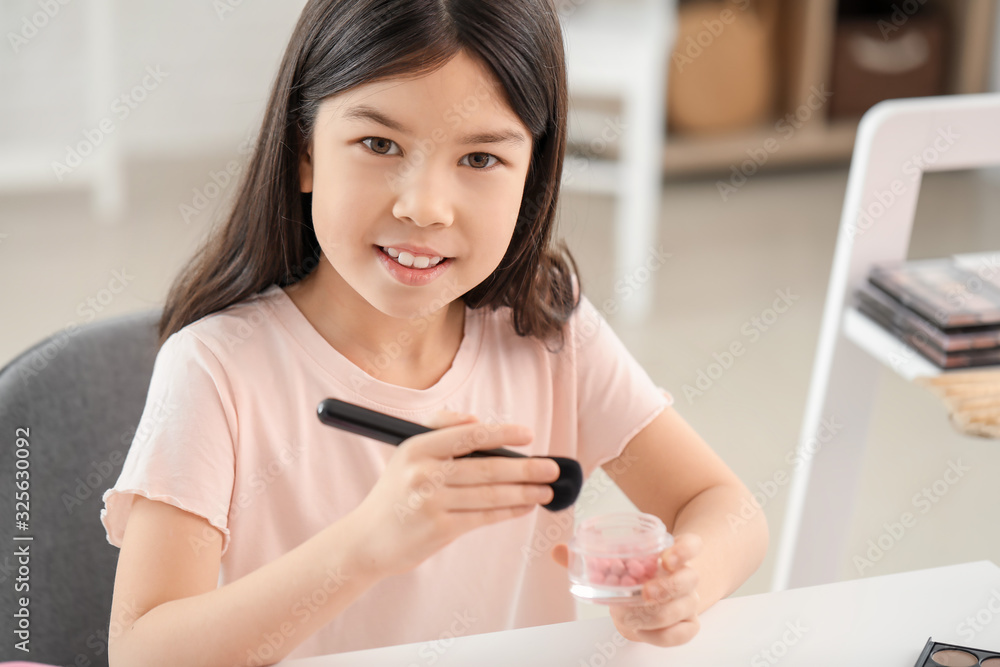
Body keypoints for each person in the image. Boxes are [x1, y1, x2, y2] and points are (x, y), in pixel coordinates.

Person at [100, 0, 768, 664]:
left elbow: (725, 507)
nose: (424, 205)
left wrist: (685, 581)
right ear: (305, 152)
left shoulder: (548, 328)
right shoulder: (216, 369)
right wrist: (364, 547)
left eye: (480, 159)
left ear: (531, 176)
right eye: (379, 144)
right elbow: (143, 651)